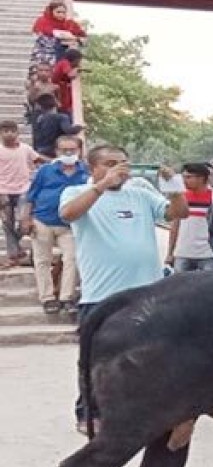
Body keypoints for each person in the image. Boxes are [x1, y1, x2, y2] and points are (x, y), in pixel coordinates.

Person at [60, 144, 188, 434]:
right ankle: (90, 412)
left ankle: (151, 408)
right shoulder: (77, 193)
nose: (119, 169)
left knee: (155, 354)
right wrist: (103, 185)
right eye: (109, 163)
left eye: (123, 163)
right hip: (101, 295)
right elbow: (68, 214)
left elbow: (178, 213)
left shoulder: (141, 195)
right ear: (92, 168)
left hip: (147, 293)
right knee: (96, 358)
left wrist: (174, 187)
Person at [25, 135, 87, 314]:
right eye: (64, 150)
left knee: (72, 259)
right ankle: (47, 298)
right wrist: (26, 218)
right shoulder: (45, 171)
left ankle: (66, 297)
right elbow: (31, 196)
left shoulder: (86, 173)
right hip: (43, 220)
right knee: (42, 260)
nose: (68, 153)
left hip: (71, 224)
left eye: (72, 150)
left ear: (79, 151)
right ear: (57, 151)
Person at [0, 120, 40, 268]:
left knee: (24, 223)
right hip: (3, 191)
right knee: (7, 223)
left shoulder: (25, 149)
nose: (9, 133)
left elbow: (37, 160)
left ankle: (16, 247)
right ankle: (13, 254)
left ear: (17, 133)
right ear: (0, 134)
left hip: (23, 189)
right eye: (5, 131)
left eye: (12, 131)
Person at [166, 163, 213, 273]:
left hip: (209, 254)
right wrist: (170, 253)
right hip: (182, 254)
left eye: (188, 177)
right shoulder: (181, 198)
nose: (184, 181)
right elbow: (175, 226)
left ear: (201, 178)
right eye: (183, 177)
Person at [30, 1, 86, 68]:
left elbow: (82, 37)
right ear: (51, 11)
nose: (61, 15)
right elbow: (42, 35)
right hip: (44, 55)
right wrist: (63, 37)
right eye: (58, 12)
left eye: (63, 12)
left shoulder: (69, 24)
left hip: (62, 56)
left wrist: (74, 38)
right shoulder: (42, 21)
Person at [31, 92, 84, 158]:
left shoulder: (38, 118)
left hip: (40, 150)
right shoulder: (61, 117)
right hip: (54, 150)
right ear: (55, 104)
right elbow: (68, 130)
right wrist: (80, 127)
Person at [51, 49, 82, 115]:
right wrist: (77, 69)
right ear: (75, 59)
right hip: (58, 89)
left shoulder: (63, 63)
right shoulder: (64, 63)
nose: (78, 63)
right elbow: (70, 75)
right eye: (78, 61)